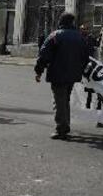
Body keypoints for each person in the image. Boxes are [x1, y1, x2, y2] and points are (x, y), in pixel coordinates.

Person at [34, 12, 90, 140]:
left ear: (61, 21)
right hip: (73, 75)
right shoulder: (79, 37)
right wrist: (80, 70)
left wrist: (38, 71)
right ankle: (65, 125)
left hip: (57, 74)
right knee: (65, 100)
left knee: (59, 101)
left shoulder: (55, 36)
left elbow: (44, 55)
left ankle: (61, 129)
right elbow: (86, 57)